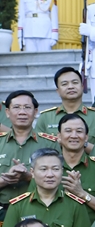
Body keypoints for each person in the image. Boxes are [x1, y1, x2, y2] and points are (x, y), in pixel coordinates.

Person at [1, 91, 60, 220]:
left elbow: (60, 180)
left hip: (39, 210)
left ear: (35, 111)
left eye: (27, 107)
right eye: (16, 107)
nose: (22, 112)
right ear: (7, 112)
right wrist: (4, 180)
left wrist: (30, 177)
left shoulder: (50, 143)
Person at [56, 113, 95, 221]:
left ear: (86, 138)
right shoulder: (47, 169)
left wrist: (82, 194)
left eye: (79, 131)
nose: (74, 135)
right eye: (68, 131)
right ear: (59, 137)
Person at [34, 68, 95, 143]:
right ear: (58, 91)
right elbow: (37, 148)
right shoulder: (46, 118)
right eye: (64, 84)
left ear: (82, 87)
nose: (70, 87)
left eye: (75, 82)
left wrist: (81, 144)